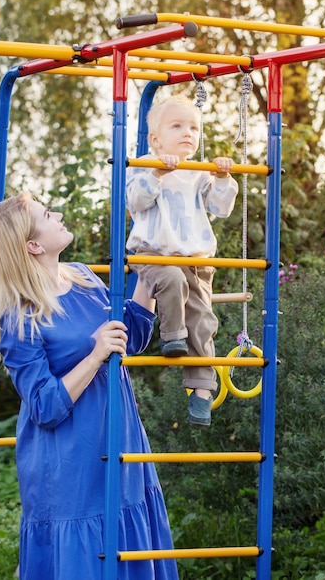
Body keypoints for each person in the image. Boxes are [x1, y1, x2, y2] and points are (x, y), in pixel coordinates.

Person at [0, 193, 179, 580]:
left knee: (128, 546)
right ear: (33, 245)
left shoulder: (83, 275)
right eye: (49, 215)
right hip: (68, 461)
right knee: (83, 560)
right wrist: (95, 353)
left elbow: (128, 338)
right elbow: (44, 406)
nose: (60, 215)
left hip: (118, 440)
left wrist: (149, 279)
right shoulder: (19, 316)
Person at [126, 94, 239, 427]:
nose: (188, 132)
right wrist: (158, 172)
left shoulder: (198, 171)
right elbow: (135, 199)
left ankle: (202, 394)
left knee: (202, 324)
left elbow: (221, 208)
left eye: (193, 127)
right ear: (156, 139)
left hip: (196, 262)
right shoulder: (145, 164)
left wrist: (221, 178)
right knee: (172, 280)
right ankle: (171, 335)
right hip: (153, 256)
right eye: (177, 126)